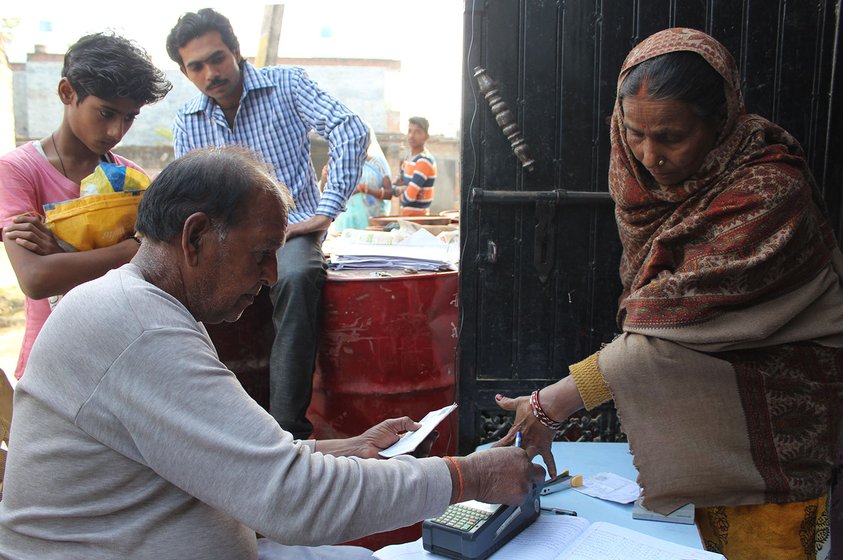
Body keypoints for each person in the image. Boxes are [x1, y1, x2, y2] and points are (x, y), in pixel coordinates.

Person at [0, 147, 544, 559]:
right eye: (261, 254)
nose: (270, 276)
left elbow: (237, 461)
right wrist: (468, 476)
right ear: (194, 238)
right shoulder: (137, 326)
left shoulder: (144, 308)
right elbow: (290, 500)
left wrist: (341, 450)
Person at [493, 28, 842, 559]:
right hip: (710, 429)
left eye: (672, 137)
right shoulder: (647, 181)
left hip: (776, 436)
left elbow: (676, 328)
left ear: (718, 122)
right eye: (635, 133)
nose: (649, 155)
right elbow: (663, 324)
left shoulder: (768, 192)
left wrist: (552, 403)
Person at [166, 8, 368, 440]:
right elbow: (189, 195)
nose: (211, 73)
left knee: (296, 277)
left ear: (236, 51)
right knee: (183, 294)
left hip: (289, 230)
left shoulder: (287, 84)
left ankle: (286, 435)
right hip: (227, 241)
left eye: (217, 58)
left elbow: (350, 129)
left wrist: (326, 210)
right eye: (196, 66)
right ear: (185, 72)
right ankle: (211, 430)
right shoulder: (188, 120)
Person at [0, 33, 171, 380]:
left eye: (129, 117)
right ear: (67, 92)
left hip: (121, 357)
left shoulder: (133, 180)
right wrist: (130, 248)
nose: (115, 130)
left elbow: (159, 270)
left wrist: (61, 252)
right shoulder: (18, 170)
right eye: (106, 113)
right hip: (52, 362)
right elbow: (35, 279)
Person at [331, 125, 392, 232]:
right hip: (346, 221)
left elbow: (389, 193)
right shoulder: (342, 162)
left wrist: (366, 189)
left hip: (371, 221)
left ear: (370, 141)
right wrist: (324, 175)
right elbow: (328, 189)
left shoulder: (378, 163)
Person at [392, 116, 436, 216]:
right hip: (406, 218)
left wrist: (402, 190)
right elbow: (393, 188)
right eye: (410, 131)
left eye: (418, 132)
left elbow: (409, 198)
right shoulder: (408, 159)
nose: (412, 135)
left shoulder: (424, 161)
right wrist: (401, 189)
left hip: (418, 221)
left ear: (426, 136)